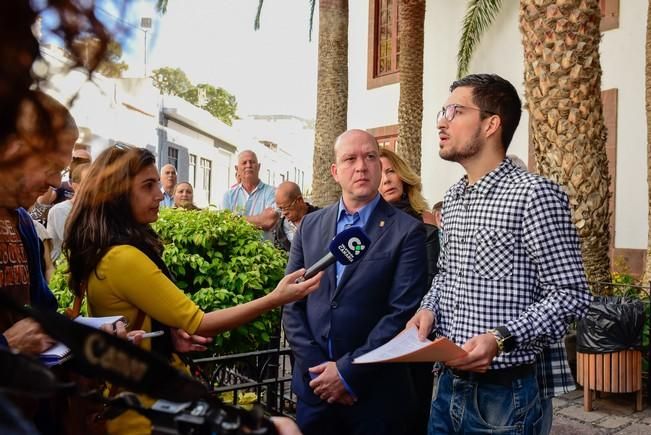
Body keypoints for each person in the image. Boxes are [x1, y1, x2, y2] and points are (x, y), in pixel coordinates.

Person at [63, 144, 323, 435]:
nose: (160, 195)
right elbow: (201, 323)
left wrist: (167, 334)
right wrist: (277, 297)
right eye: (148, 186)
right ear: (117, 194)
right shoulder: (123, 257)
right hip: (149, 414)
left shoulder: (108, 251)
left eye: (157, 185)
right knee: (285, 428)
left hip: (146, 403)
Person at [406, 74, 592, 434]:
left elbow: (572, 294)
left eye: (455, 111)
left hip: (505, 398)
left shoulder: (534, 195)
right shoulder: (456, 197)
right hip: (445, 386)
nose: (441, 121)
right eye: (443, 111)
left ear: (491, 123)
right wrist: (427, 309)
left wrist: (501, 338)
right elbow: (447, 275)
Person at [283, 129, 427, 435]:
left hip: (375, 396)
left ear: (379, 165)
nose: (361, 166)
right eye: (350, 158)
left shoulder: (407, 231)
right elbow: (291, 304)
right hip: (315, 390)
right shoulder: (310, 225)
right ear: (335, 171)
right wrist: (321, 374)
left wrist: (348, 373)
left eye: (370, 157)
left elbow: (401, 313)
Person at [377, 147, 438, 435]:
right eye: (380, 174)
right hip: (371, 337)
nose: (387, 179)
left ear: (403, 176)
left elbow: (430, 281)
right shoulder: (363, 225)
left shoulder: (424, 222)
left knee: (411, 416)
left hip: (413, 333)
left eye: (391, 171)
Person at [222, 150, 278, 239]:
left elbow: (268, 221)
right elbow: (225, 225)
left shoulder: (272, 192)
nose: (248, 165)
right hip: (235, 251)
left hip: (264, 251)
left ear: (259, 167)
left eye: (252, 162)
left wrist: (236, 219)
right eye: (244, 163)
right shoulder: (229, 196)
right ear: (237, 169)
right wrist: (259, 219)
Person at [46, 162, 89, 261]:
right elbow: (75, 245)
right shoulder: (60, 210)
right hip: (61, 270)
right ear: (74, 186)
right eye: (88, 182)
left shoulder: (96, 210)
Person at [272, 181, 318, 252]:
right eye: (280, 209)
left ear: (299, 200)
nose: (284, 213)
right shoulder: (280, 228)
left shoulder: (320, 219)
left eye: (286, 208)